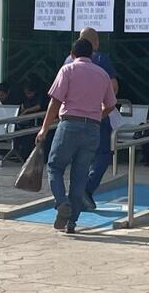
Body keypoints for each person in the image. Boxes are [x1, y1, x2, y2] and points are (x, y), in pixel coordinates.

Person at [36, 38, 116, 234]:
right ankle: (72, 222)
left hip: (69, 124)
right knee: (80, 175)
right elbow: (111, 104)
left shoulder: (68, 70)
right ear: (91, 55)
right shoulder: (102, 74)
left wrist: (44, 129)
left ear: (72, 54)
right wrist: (97, 115)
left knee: (55, 166)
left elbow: (55, 102)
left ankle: (62, 203)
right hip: (93, 129)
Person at [65, 27, 118, 210]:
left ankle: (72, 196)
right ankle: (86, 190)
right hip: (96, 116)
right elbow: (113, 88)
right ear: (96, 43)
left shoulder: (68, 61)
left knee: (78, 157)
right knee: (103, 153)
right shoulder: (101, 59)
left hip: (71, 118)